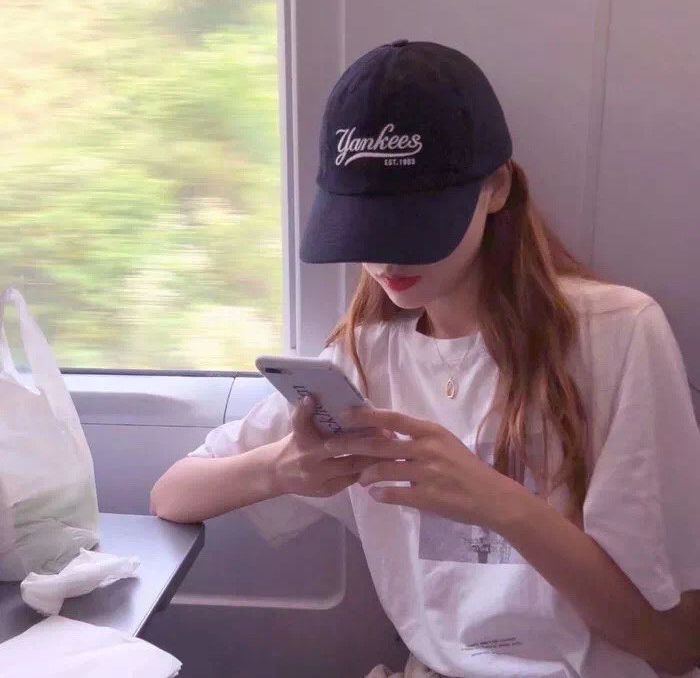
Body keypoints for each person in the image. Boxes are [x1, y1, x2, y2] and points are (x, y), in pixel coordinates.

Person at [150, 40, 700, 677]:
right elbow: (172, 494)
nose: (385, 259)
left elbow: (674, 644)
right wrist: (282, 469)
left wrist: (500, 504)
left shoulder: (616, 335)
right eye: (363, 228)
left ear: (496, 188)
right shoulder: (364, 357)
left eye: (412, 226)